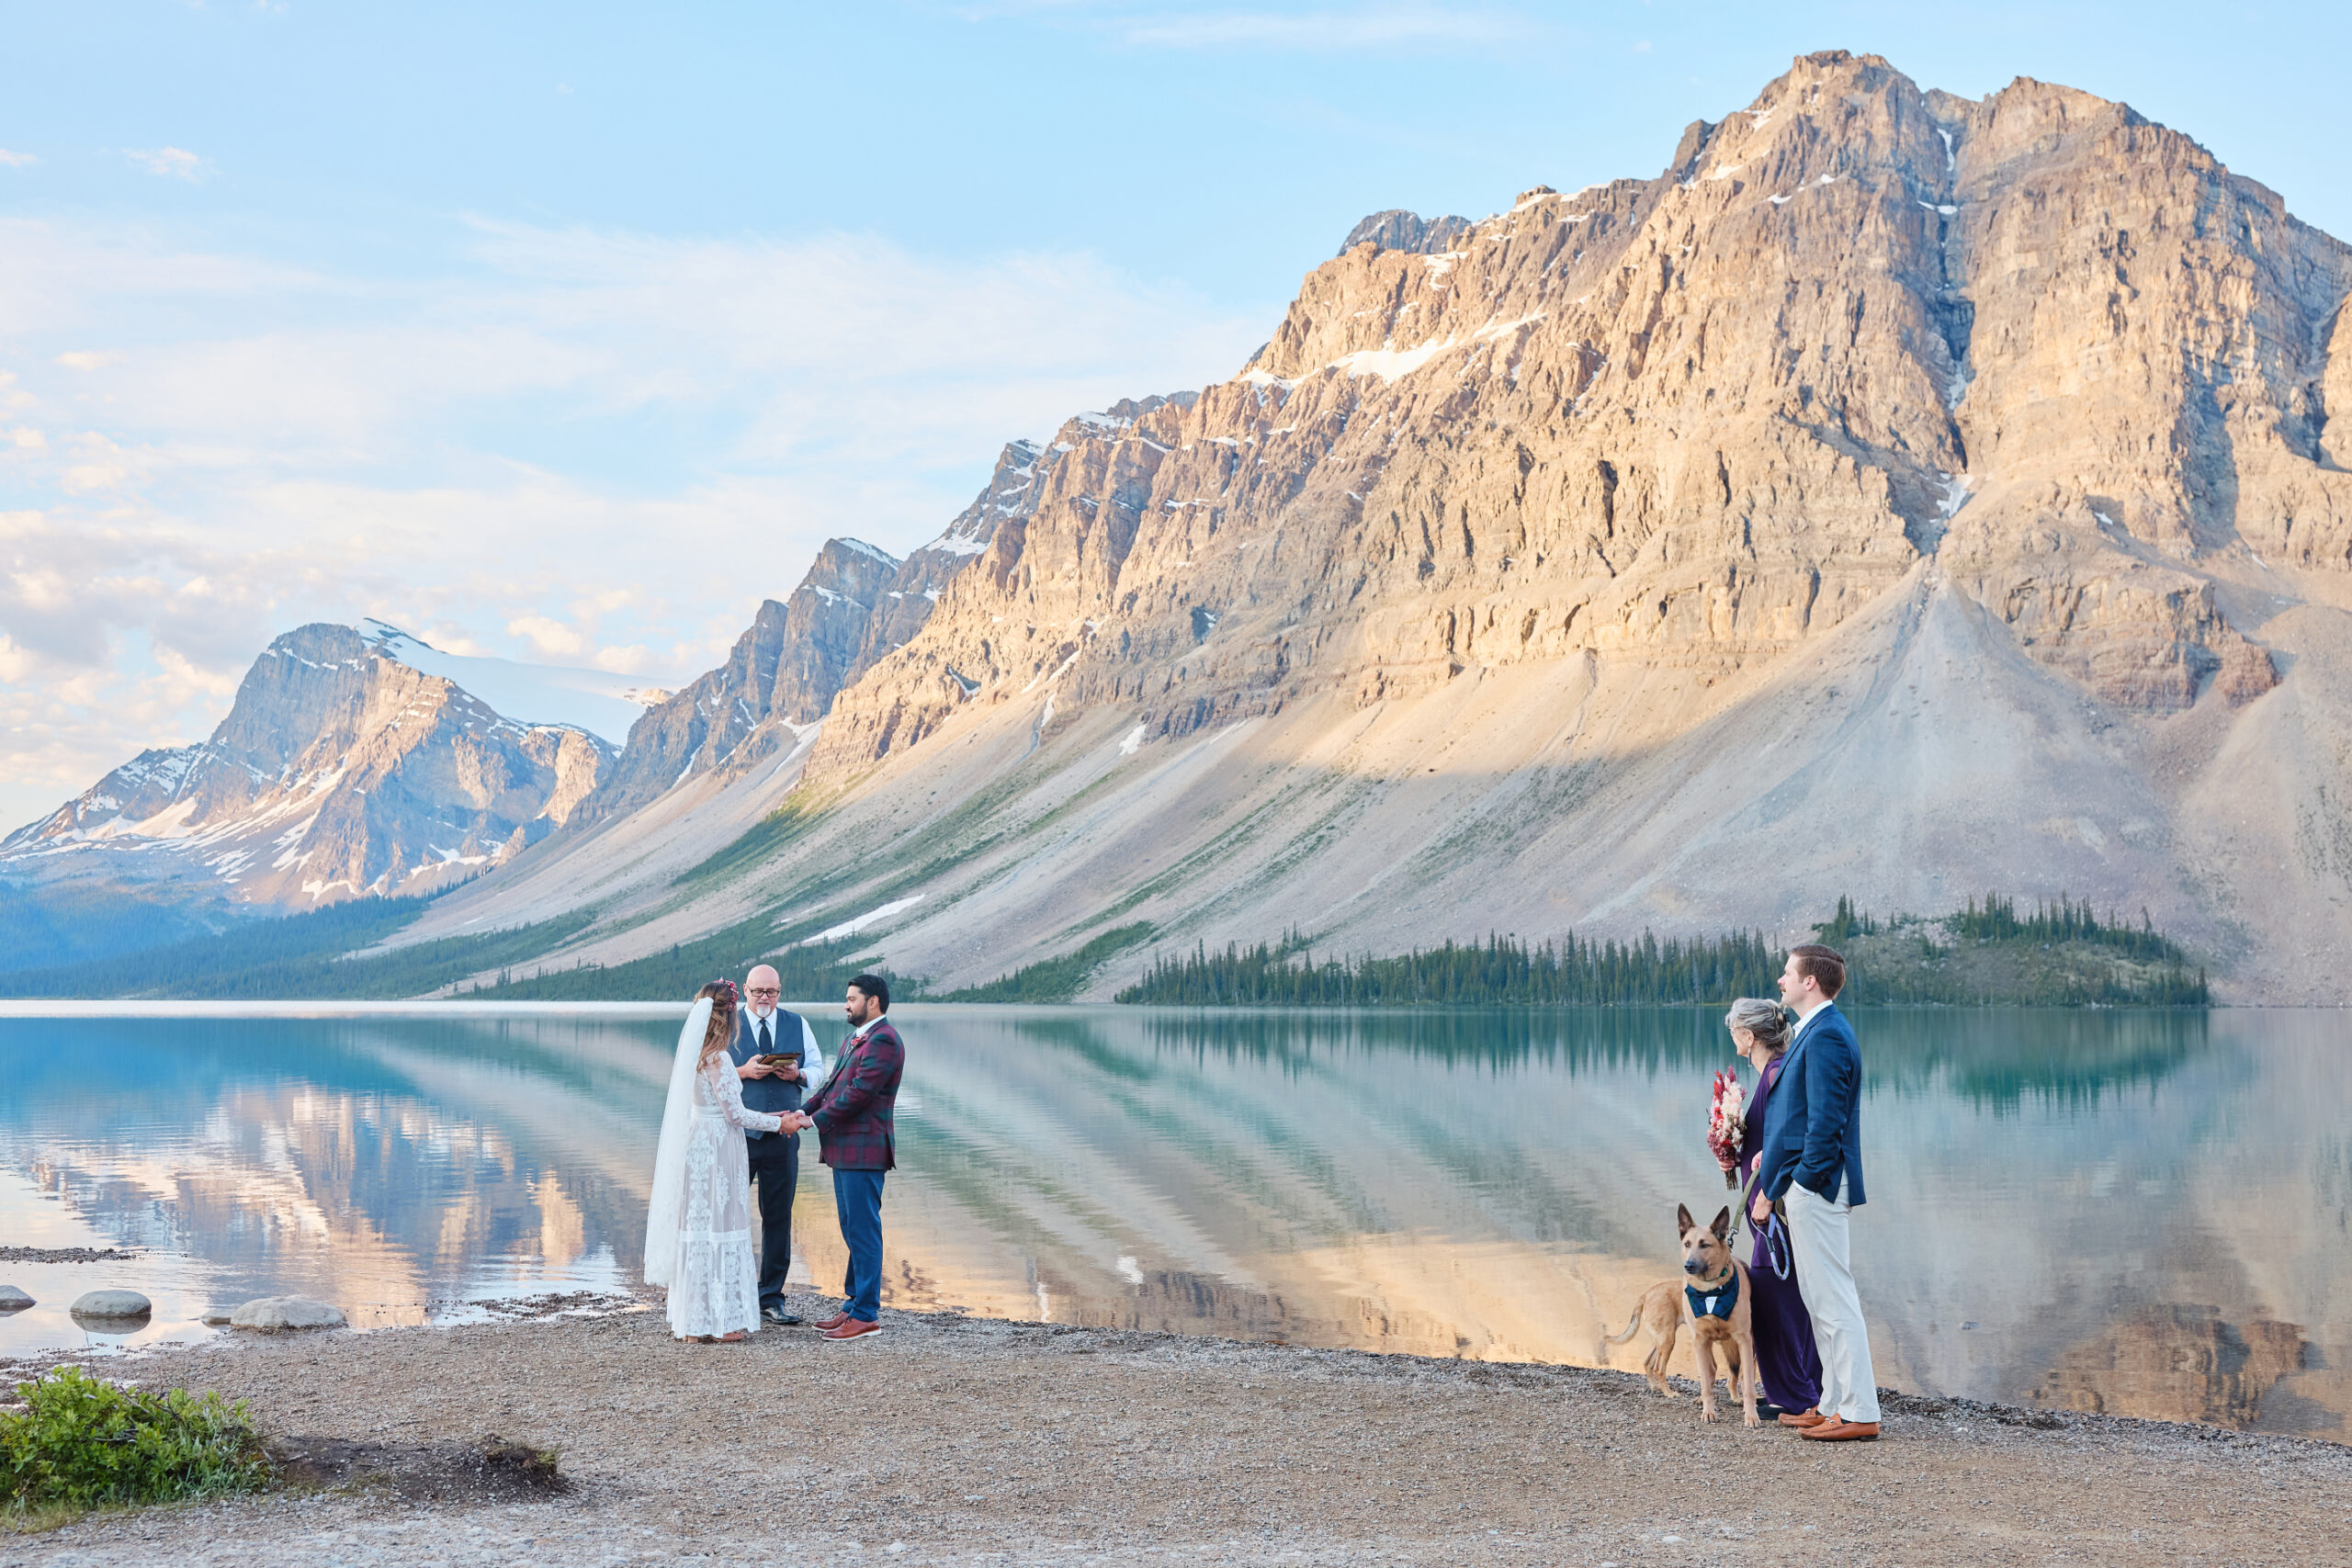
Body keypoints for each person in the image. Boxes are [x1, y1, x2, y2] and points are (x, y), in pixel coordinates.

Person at [1754, 943, 1880, 1440]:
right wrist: (1775, 1162)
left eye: (1787, 973)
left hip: (1820, 1186)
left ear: (1810, 982)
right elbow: (1800, 1116)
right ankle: (1831, 1403)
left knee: (1834, 1297)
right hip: (1807, 1183)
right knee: (1817, 1296)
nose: (1780, 980)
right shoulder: (1815, 1031)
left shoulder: (1827, 1035)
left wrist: (1801, 1181)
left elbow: (1826, 1127)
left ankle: (1860, 1413)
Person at [642, 980, 786, 1343]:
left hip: (697, 1142)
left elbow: (711, 1095)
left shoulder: (695, 1055)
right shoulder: (719, 1057)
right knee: (721, 1224)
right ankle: (722, 1323)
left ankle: (692, 1324)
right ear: (730, 1014)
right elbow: (735, 1114)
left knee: (699, 1226)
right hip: (720, 1147)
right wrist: (779, 1122)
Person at [777, 973, 903, 1343]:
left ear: (873, 1001)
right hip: (845, 1150)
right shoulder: (856, 1038)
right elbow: (833, 1087)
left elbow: (858, 1095)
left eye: (851, 999)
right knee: (851, 1228)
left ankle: (867, 1315)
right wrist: (801, 1113)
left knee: (864, 1231)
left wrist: (810, 1121)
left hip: (865, 1151)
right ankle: (852, 1306)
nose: (846, 1005)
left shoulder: (885, 1041)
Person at [1724, 997, 1824, 1419]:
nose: (1733, 1039)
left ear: (1748, 1037)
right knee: (1790, 1296)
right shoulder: (1773, 1073)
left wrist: (1767, 1192)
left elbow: (1790, 1138)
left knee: (1772, 1293)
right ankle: (1807, 1390)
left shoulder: (1776, 1073)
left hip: (1777, 1209)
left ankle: (1795, 1397)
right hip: (1771, 1206)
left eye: (1734, 1032)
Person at [729, 963, 827, 1326]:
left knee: (779, 1217)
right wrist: (743, 1072)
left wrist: (798, 1074)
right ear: (746, 990)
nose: (766, 998)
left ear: (780, 992)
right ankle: (734, 1295)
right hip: (737, 1136)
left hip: (784, 1136)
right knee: (730, 1216)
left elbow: (820, 1070)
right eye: (758, 992)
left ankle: (771, 1297)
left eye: (772, 991)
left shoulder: (797, 1023)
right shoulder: (728, 1025)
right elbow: (704, 1072)